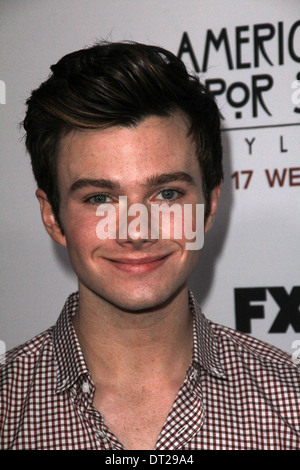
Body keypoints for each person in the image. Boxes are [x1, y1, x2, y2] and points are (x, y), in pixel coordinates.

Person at [0, 41, 299, 451]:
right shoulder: (7, 408)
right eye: (99, 199)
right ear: (52, 216)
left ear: (209, 207)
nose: (136, 232)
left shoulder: (291, 402)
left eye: (168, 194)